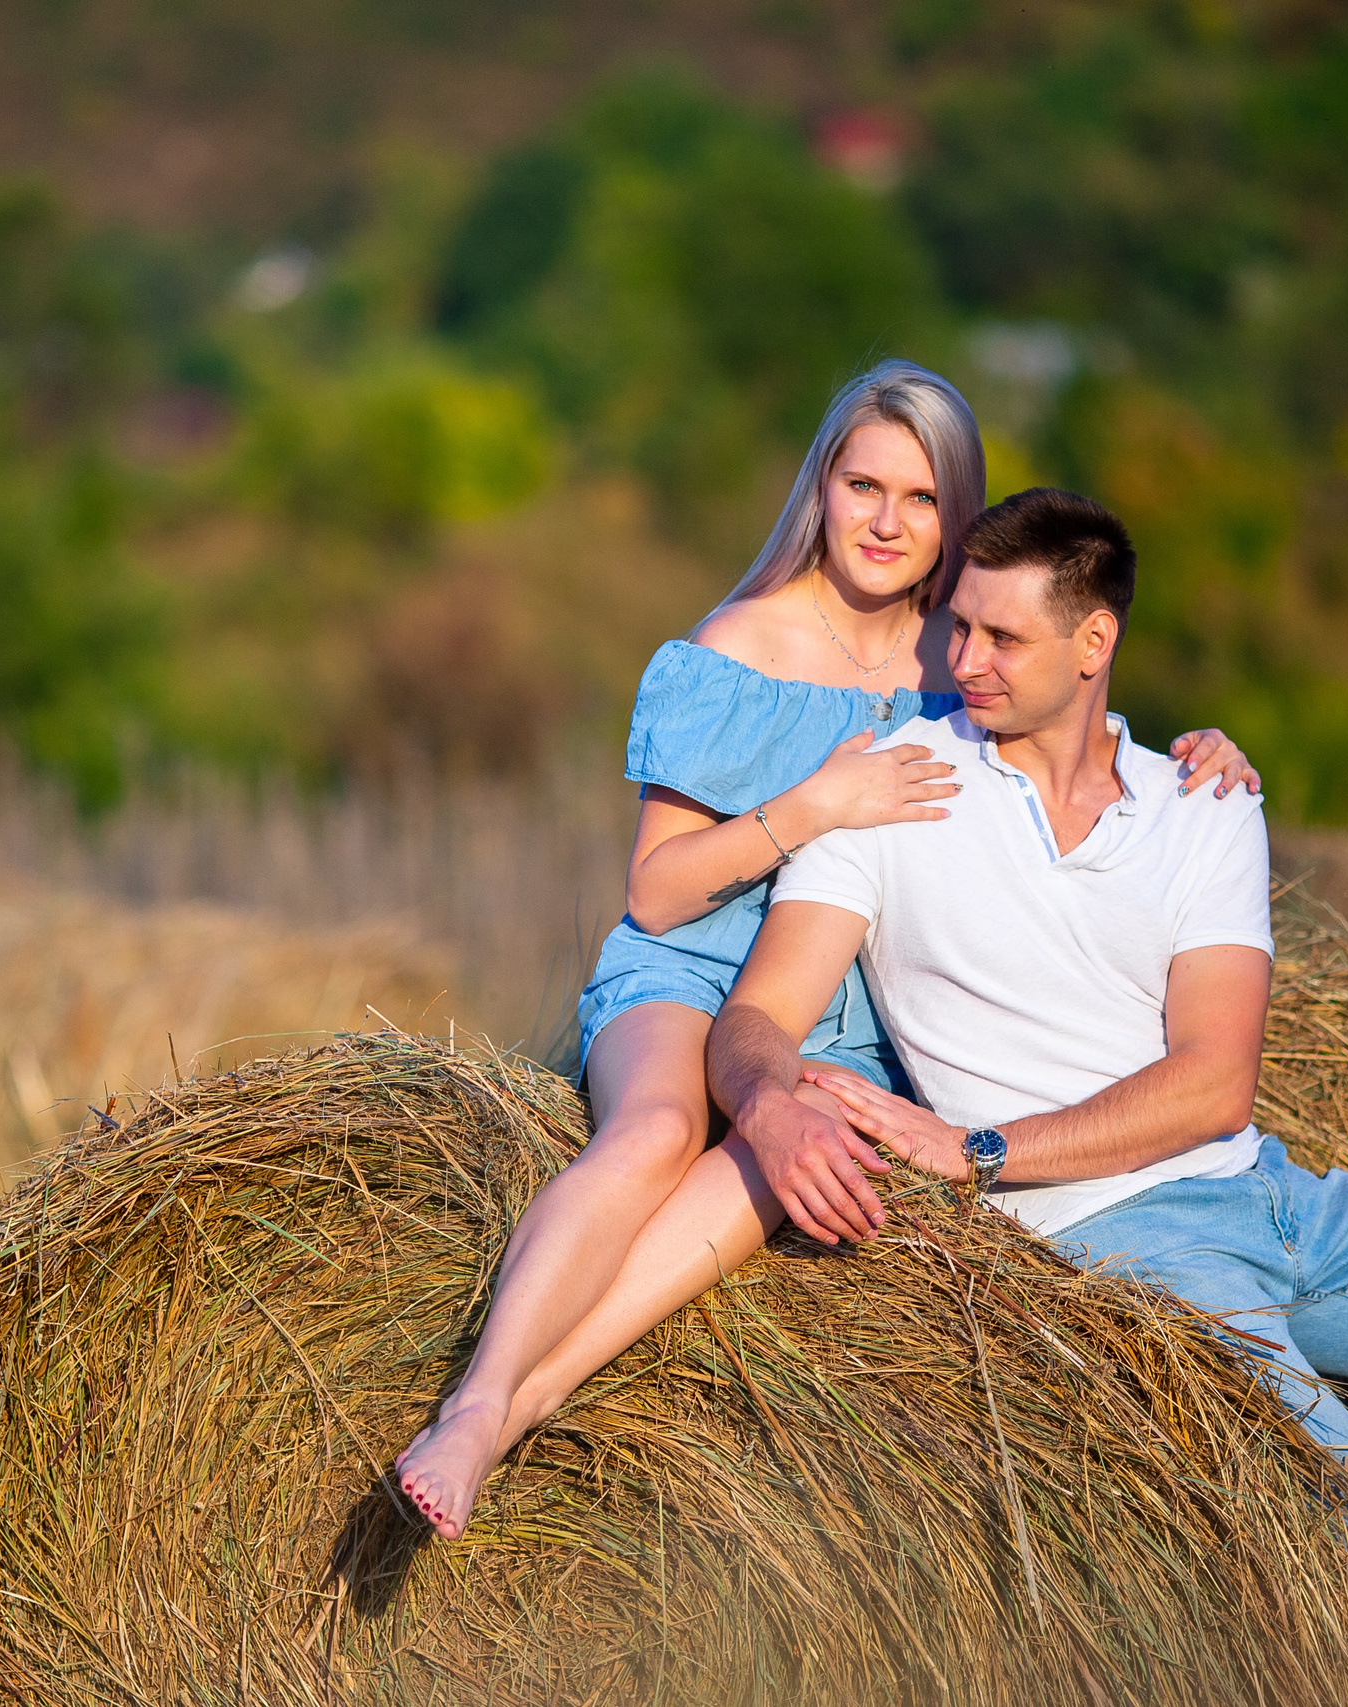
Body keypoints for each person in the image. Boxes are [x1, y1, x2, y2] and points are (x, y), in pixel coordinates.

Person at [692, 487, 1348, 1703]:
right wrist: (770, 1104)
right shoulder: (896, 787)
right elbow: (753, 1020)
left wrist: (975, 1147)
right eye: (958, 627)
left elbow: (1214, 1085)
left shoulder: (1200, 804)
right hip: (1119, 1243)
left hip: (1261, 1196)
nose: (963, 660)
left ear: (1094, 643)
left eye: (1002, 638)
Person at [392, 362, 1265, 1540]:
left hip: (843, 1011)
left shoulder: (958, 662)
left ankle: (532, 1405)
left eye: (919, 498)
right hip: (695, 974)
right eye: (863, 485)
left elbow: (1081, 736)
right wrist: (811, 806)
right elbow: (655, 891)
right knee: (655, 1132)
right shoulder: (738, 641)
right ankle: (475, 1398)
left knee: (774, 1168)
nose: (885, 522)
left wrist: (1205, 749)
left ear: (960, 518)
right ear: (823, 485)